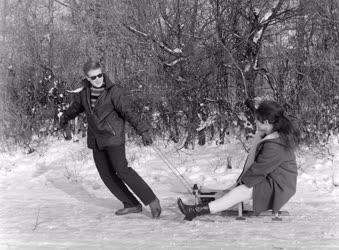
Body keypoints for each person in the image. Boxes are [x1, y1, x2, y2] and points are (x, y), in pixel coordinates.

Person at [60, 60, 161, 218]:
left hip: (113, 138)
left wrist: (143, 131)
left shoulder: (113, 92)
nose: (98, 79)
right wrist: (63, 119)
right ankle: (131, 204)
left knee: (122, 170)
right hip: (96, 140)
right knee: (106, 175)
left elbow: (129, 112)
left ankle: (152, 201)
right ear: (87, 78)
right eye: (94, 77)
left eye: (100, 75)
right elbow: (75, 109)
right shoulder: (84, 94)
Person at [177, 100, 300, 220]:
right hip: (273, 178)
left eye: (257, 120)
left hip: (279, 185)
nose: (255, 122)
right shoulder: (272, 132)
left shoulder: (275, 145)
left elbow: (258, 170)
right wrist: (253, 108)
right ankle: (211, 199)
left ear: (266, 122)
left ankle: (195, 211)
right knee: (238, 187)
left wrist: (241, 183)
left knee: (241, 190)